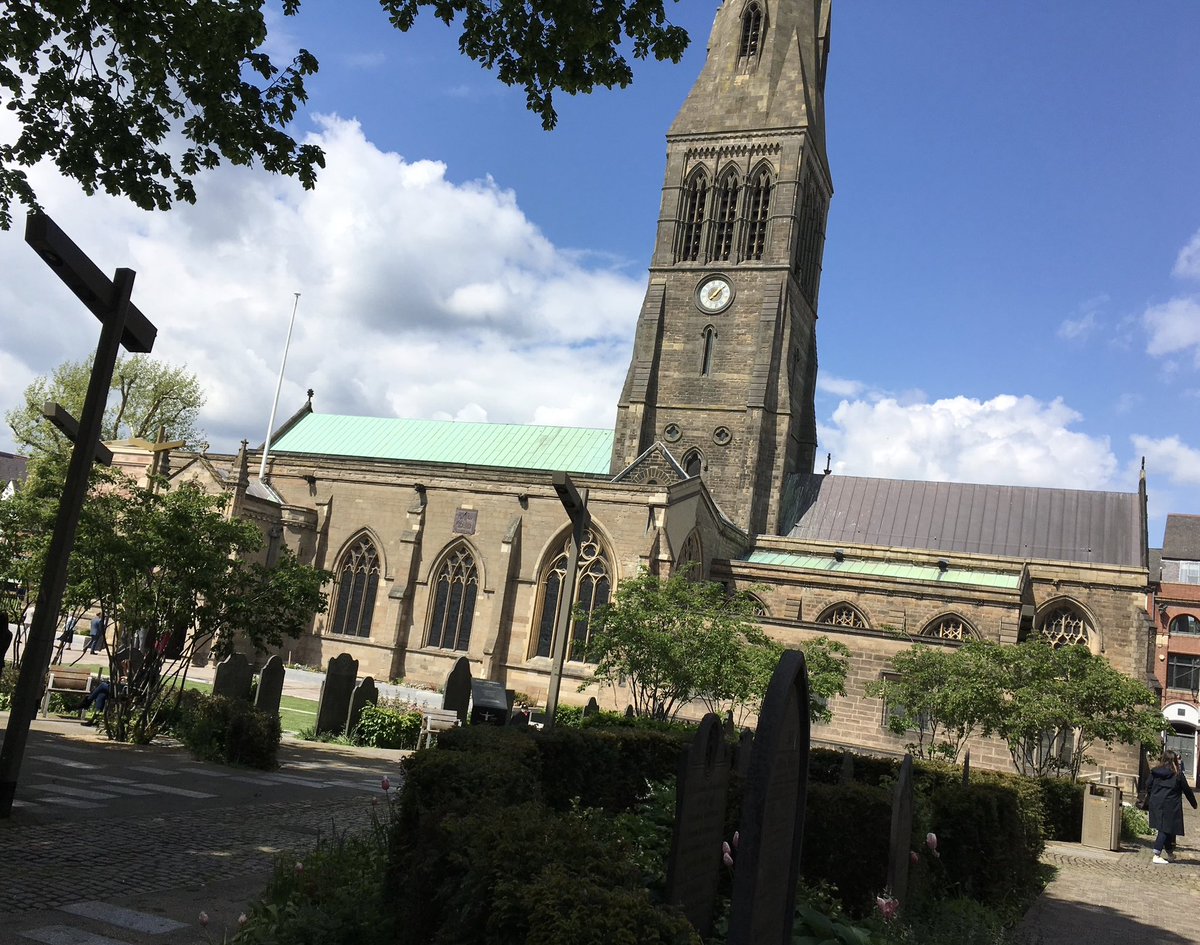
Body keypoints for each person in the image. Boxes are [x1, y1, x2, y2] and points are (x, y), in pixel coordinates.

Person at [1148, 748, 1196, 864]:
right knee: (1165, 829)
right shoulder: (1177, 774)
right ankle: (1157, 854)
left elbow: (1148, 785)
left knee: (1166, 828)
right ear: (1174, 761)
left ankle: (1170, 853)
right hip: (1170, 804)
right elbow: (1187, 790)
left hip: (1156, 803)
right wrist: (1194, 803)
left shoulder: (1155, 772)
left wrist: (1153, 797)